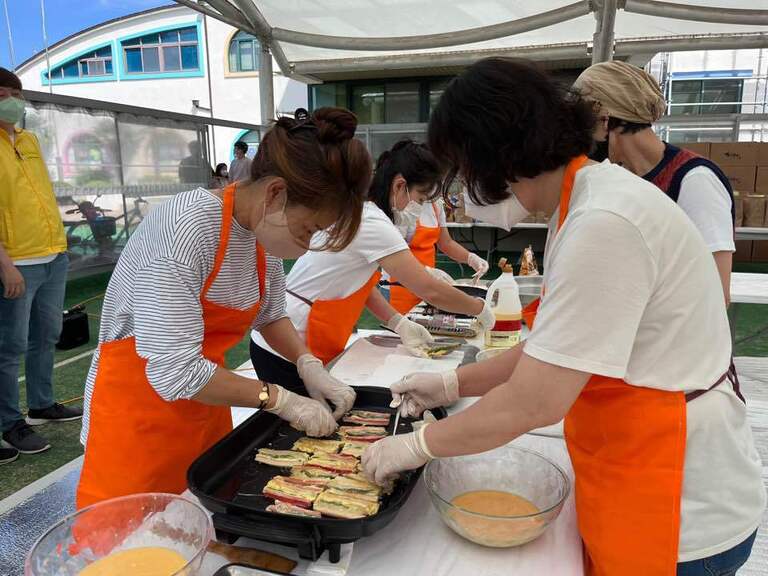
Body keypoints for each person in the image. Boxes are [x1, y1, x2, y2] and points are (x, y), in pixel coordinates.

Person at [362, 58, 765, 576]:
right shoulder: (582, 202)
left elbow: (535, 400)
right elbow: (552, 351)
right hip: (632, 461)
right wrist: (449, 384)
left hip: (678, 501)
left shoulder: (604, 220)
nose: (463, 190)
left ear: (495, 157)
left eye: (462, 170)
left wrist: (417, 445)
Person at [76, 108, 372, 508]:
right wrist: (280, 400)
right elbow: (174, 370)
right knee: (126, 545)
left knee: (200, 524)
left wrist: (307, 363)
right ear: (275, 194)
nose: (307, 246)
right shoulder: (184, 229)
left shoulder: (258, 234)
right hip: (137, 417)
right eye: (308, 231)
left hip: (205, 405)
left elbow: (270, 314)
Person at [250, 140, 495, 390]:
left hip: (298, 337)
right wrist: (479, 308)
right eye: (420, 198)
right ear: (400, 185)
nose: (419, 209)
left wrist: (398, 322)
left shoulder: (365, 213)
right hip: (284, 347)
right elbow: (430, 290)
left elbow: (363, 286)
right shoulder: (372, 222)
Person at [573, 61, 735, 304]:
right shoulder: (621, 177)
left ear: (606, 120)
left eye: (586, 125)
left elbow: (716, 294)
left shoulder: (694, 180)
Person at [0, 67, 82, 465]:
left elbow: (40, 194)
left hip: (52, 255)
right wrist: (5, 264)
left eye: (15, 93)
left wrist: (60, 244)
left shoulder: (28, 140)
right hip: (15, 262)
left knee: (47, 334)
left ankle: (41, 403)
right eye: (3, 94)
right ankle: (9, 422)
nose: (12, 101)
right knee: (9, 346)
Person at [375, 140, 489, 313]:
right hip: (399, 285)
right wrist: (428, 273)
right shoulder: (402, 209)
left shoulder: (435, 204)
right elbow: (396, 259)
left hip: (427, 286)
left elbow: (446, 243)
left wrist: (471, 258)